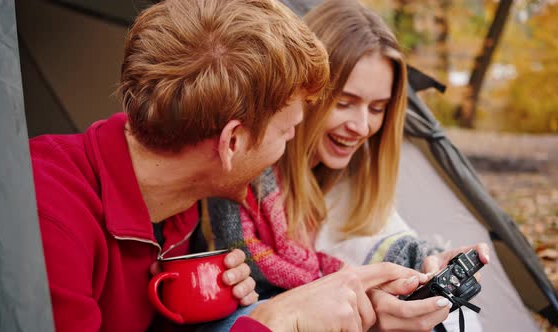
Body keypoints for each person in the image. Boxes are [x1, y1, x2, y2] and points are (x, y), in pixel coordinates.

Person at [29, 0, 422, 331]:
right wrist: (272, 318)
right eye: (287, 133)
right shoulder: (47, 218)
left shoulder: (178, 212)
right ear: (232, 142)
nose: (289, 151)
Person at [204, 0, 490, 331]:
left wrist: (424, 270)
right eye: (344, 103)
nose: (361, 126)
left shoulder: (352, 180)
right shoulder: (243, 173)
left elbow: (388, 243)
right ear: (305, 93)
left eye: (378, 108)